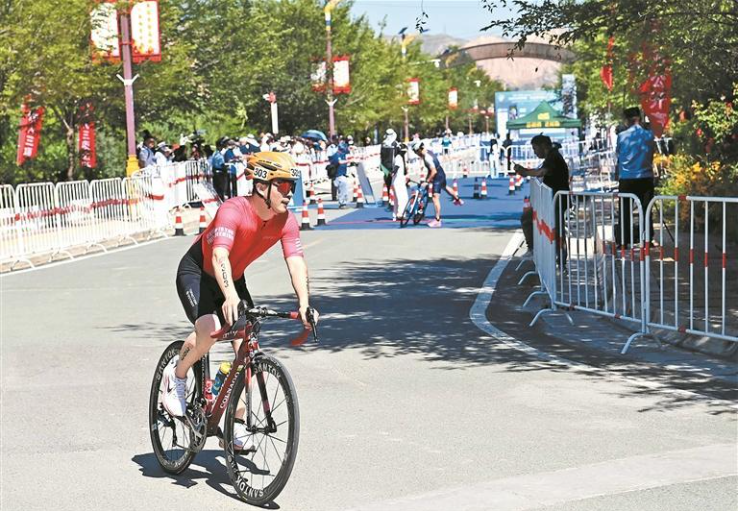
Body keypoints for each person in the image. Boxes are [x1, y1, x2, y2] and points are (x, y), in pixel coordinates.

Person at [163, 152, 319, 446]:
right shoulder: (233, 210)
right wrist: (230, 295)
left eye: (293, 186)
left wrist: (304, 303)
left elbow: (296, 261)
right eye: (284, 186)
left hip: (233, 278)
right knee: (209, 329)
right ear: (262, 186)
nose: (290, 194)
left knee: (246, 351)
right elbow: (219, 255)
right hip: (198, 272)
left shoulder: (286, 221)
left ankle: (234, 422)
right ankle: (177, 376)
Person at [513, 134, 570, 257]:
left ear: (543, 146)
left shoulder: (553, 157)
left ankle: (560, 257)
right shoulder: (551, 156)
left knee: (557, 230)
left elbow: (541, 172)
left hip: (557, 200)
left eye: (535, 148)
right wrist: (526, 171)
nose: (535, 152)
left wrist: (525, 172)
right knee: (530, 219)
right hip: (551, 199)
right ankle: (539, 250)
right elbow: (540, 170)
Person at [616, 106, 656, 244]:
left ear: (627, 120)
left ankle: (624, 240)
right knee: (646, 210)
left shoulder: (622, 136)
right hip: (645, 177)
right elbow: (652, 154)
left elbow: (619, 154)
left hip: (627, 178)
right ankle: (647, 238)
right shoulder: (649, 135)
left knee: (625, 211)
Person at [410, 140, 464, 228]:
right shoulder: (428, 152)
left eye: (415, 152)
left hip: (437, 176)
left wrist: (427, 181)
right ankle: (458, 199)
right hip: (440, 172)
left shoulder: (427, 157)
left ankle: (437, 220)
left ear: (419, 150)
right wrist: (426, 179)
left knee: (435, 197)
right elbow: (431, 169)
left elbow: (433, 171)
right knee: (445, 187)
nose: (416, 154)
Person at [380, 129, 398, 208]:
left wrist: (382, 166)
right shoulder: (395, 144)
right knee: (394, 184)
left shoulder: (383, 144)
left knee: (388, 184)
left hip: (385, 167)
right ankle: (393, 202)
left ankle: (390, 201)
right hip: (392, 166)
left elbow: (382, 156)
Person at [329, 141, 351, 208]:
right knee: (342, 188)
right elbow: (339, 162)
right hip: (338, 175)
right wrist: (349, 161)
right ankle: (342, 203)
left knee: (344, 188)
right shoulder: (336, 155)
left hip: (342, 174)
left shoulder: (343, 154)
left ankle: (343, 202)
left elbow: (349, 151)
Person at [392, 143, 410, 221]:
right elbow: (396, 167)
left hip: (397, 181)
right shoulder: (399, 157)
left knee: (397, 199)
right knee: (403, 198)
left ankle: (396, 214)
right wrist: (393, 172)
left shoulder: (399, 157)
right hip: (398, 181)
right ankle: (400, 214)